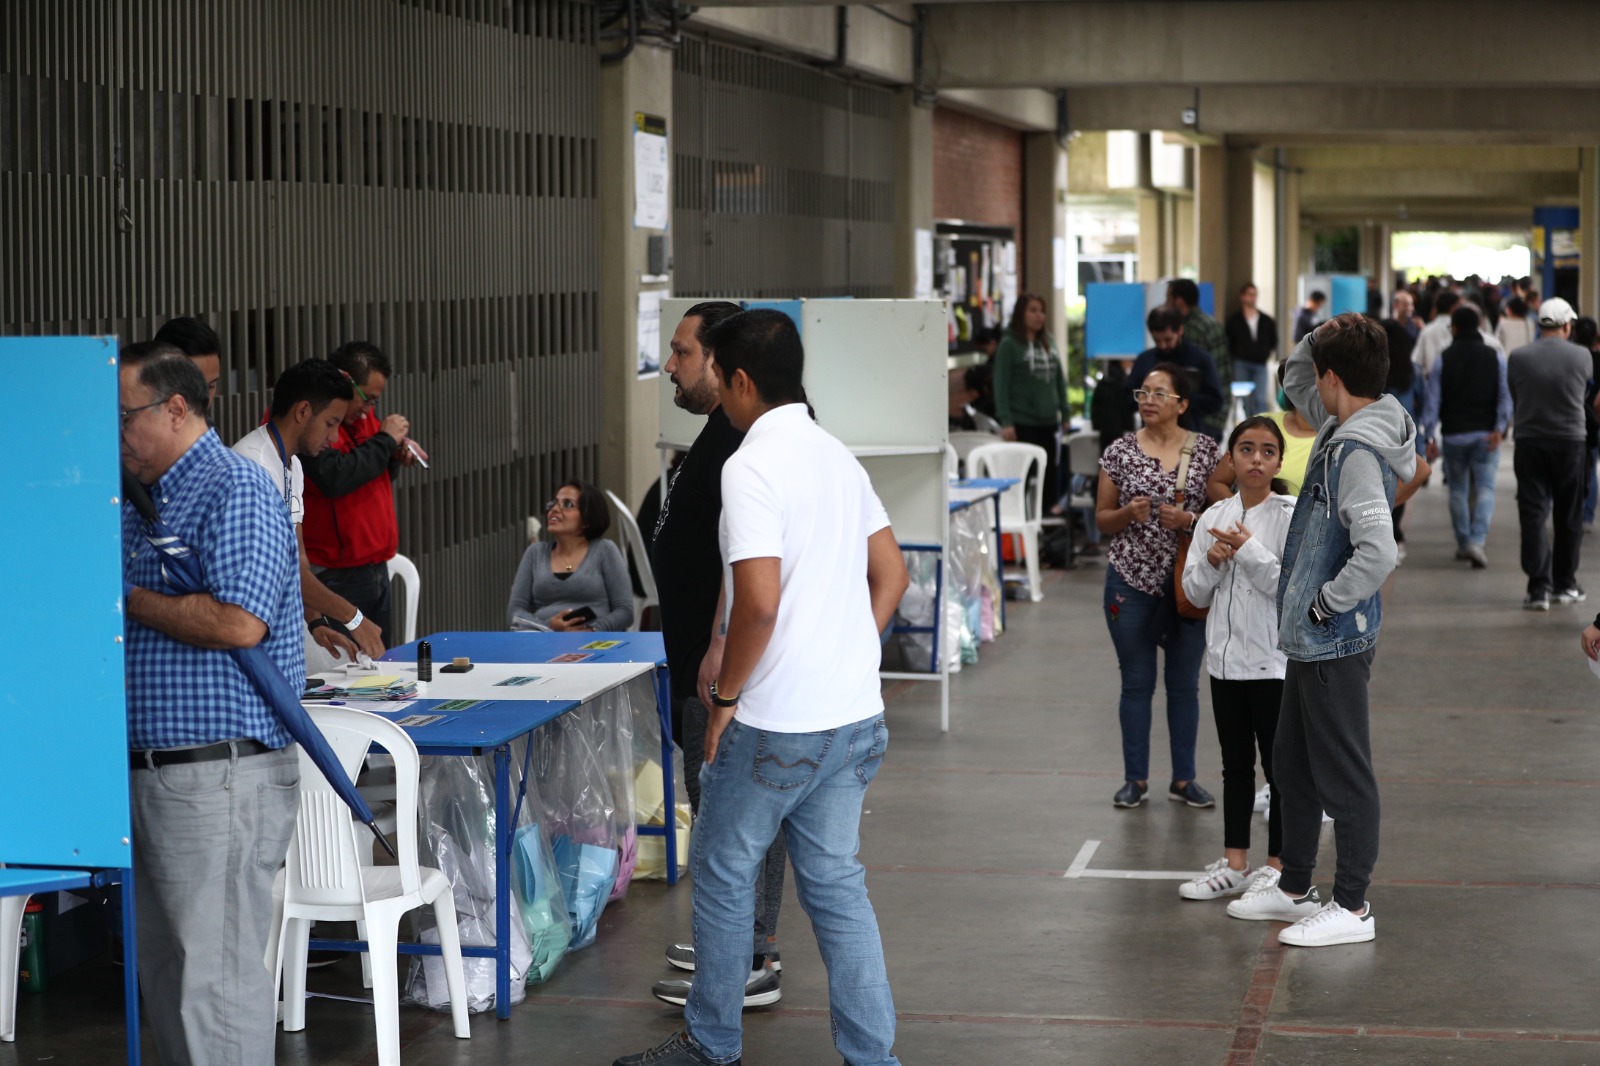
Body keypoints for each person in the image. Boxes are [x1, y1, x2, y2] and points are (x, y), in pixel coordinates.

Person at [615, 308, 910, 1066]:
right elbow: (893, 574)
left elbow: (759, 602)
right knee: (839, 893)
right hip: (853, 719)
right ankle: (873, 1058)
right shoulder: (837, 454)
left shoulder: (749, 464)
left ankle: (713, 1045)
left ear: (738, 380)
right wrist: (846, 652)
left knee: (721, 876)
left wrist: (725, 699)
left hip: (775, 723)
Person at [119, 342, 301, 1065]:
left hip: (220, 777)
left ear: (176, 408)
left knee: (214, 984)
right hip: (160, 774)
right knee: (169, 975)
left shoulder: (237, 488)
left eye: (125, 416)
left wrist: (128, 600)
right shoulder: (140, 500)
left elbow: (238, 623)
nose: (117, 435)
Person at [1227, 314, 1420, 947]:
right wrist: (1318, 335)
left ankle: (1353, 908)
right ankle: (1294, 888)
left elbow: (1379, 551)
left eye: (1322, 372)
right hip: (1311, 641)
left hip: (1332, 637)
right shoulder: (1342, 421)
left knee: (1344, 773)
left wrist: (1324, 604)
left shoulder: (1358, 451)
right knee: (1293, 764)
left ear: (1335, 379)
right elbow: (1294, 374)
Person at [647, 301, 791, 1011]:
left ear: (722, 363)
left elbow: (747, 567)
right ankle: (731, 941)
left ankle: (751, 957)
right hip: (695, 660)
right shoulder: (715, 435)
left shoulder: (743, 448)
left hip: (721, 670)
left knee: (736, 820)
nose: (669, 365)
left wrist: (719, 647)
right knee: (717, 819)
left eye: (680, 353)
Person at [1179, 417, 1296, 901]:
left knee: (1279, 767)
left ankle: (1277, 867)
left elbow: (1288, 587)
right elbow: (1192, 593)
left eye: (1267, 451)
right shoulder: (1212, 518)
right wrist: (1210, 561)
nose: (1255, 459)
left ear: (1278, 462)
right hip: (1224, 664)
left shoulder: (1290, 516)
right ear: (1230, 458)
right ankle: (1234, 864)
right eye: (1246, 449)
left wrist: (1247, 551)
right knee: (1233, 765)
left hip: (1272, 664)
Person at [1096, 363, 1220, 811]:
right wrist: (1127, 514)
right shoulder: (1119, 452)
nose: (1147, 400)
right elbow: (1101, 519)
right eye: (1142, 393)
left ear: (1182, 404)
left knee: (1184, 685)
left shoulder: (1206, 452)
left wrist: (1188, 519)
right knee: (1136, 683)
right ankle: (1135, 780)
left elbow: (1226, 516)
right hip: (1129, 583)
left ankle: (1184, 779)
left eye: (1158, 393)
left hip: (1188, 585)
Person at [232, 359, 385, 664]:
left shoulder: (293, 464)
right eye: (331, 423)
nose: (334, 438)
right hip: (247, 634)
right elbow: (283, 571)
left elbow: (298, 556)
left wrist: (315, 622)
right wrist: (353, 617)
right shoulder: (253, 468)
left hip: (279, 626)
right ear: (302, 411)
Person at [302, 341, 417, 645]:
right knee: (347, 673)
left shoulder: (362, 416)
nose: (368, 410)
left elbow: (370, 471)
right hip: (336, 573)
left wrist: (393, 454)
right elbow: (334, 476)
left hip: (374, 565)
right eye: (367, 399)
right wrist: (383, 441)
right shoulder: (316, 421)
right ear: (345, 379)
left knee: (382, 668)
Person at [1507, 296, 1592, 610]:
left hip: (1529, 441)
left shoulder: (1518, 357)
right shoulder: (1582, 355)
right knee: (1568, 515)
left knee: (1533, 514)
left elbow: (1515, 393)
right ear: (1567, 325)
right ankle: (1564, 584)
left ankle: (1538, 587)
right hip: (1570, 442)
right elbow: (1582, 392)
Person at [1422, 304, 1512, 569]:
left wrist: (1430, 437)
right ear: (1480, 326)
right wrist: (1500, 428)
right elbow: (1504, 396)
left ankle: (1463, 543)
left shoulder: (1444, 357)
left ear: (1456, 328)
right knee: (1485, 488)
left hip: (1454, 436)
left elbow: (1432, 401)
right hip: (1486, 435)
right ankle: (1477, 541)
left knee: (1458, 491)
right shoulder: (1494, 356)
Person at [507, 480, 633, 632]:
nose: (554, 509)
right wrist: (549, 627)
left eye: (567, 504)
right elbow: (514, 612)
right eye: (554, 503)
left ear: (587, 519)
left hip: (596, 643)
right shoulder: (535, 553)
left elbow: (625, 611)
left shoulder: (604, 550)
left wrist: (592, 630)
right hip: (545, 642)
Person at [994, 292, 1070, 503]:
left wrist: (1065, 412)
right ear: (1021, 313)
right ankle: (1021, 517)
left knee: (1049, 475)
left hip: (1048, 421)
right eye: (1033, 310)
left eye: (1042, 311)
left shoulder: (1049, 341)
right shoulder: (1009, 345)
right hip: (1022, 422)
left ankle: (1046, 521)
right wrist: (1006, 420)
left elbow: (1059, 380)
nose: (1039, 316)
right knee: (1024, 475)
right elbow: (1001, 384)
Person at [1127, 307, 1226, 440]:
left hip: (1190, 434)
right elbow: (1128, 397)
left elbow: (1216, 400)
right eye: (1157, 341)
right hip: (1151, 436)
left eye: (1168, 340)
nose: (1163, 346)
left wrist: (1178, 400)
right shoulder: (1145, 360)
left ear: (1180, 330)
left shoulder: (1200, 358)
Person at [1225, 282, 1278, 418]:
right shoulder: (1234, 321)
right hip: (1241, 362)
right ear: (1242, 297)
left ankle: (1262, 423)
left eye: (1254, 295)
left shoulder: (1266, 320)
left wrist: (1265, 353)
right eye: (1249, 294)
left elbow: (1273, 340)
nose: (1252, 298)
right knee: (1245, 400)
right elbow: (1229, 341)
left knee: (1261, 398)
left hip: (1260, 362)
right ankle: (1250, 422)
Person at [153, 315, 222, 418]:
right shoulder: (131, 430)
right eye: (192, 387)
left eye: (210, 386)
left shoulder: (207, 430)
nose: (204, 400)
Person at [1169, 278, 1231, 390]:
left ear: (1179, 301)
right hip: (1221, 391)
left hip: (1205, 395)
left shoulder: (1191, 329)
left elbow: (1193, 371)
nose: (1166, 303)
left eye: (1169, 298)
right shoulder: (1212, 322)